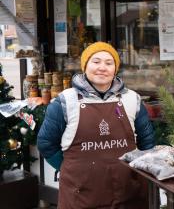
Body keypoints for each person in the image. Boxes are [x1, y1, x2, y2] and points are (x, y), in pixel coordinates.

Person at [37, 42, 155, 208]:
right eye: (96, 61)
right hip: (80, 196)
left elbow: (147, 143)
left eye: (109, 63)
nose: (102, 67)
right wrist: (69, 168)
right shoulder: (65, 102)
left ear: (115, 68)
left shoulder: (132, 99)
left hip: (128, 193)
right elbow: (46, 143)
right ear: (85, 66)